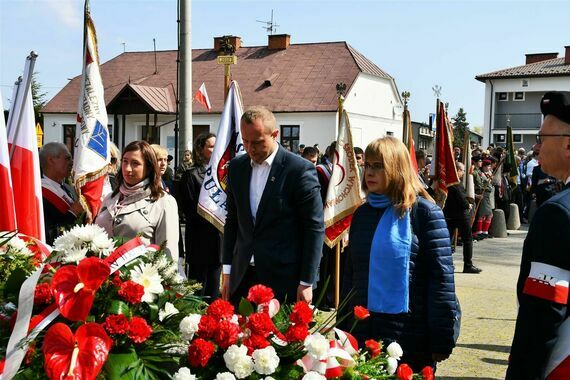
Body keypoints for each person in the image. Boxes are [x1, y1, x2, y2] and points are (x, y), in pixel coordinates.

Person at [341, 137, 458, 372]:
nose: (370, 172)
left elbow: (441, 279)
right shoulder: (362, 214)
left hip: (410, 334)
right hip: (364, 329)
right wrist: (344, 325)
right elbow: (351, 276)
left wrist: (441, 336)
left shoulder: (424, 213)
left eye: (378, 166)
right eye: (368, 165)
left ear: (397, 168)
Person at [221, 106, 324, 304]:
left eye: (258, 142)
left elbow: (314, 227)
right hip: (242, 277)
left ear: (275, 135)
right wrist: (227, 271)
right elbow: (232, 221)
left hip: (283, 280)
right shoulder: (236, 168)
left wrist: (306, 281)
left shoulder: (299, 170)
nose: (251, 148)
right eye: (246, 141)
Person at [506, 91, 570, 379]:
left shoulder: (558, 213)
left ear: (568, 145)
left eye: (543, 139)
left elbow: (544, 315)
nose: (537, 146)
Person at [95, 140, 180, 260]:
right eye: (125, 161)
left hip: (141, 276)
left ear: (149, 167)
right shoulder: (110, 198)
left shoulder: (164, 202)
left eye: (135, 163)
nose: (128, 169)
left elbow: (168, 256)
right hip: (103, 275)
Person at [179, 133, 221, 300]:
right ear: (200, 150)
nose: (214, 149)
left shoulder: (222, 174)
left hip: (218, 240)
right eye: (210, 146)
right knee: (198, 287)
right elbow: (188, 209)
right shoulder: (192, 175)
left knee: (214, 288)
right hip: (199, 240)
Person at [39, 142, 84, 244]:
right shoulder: (38, 193)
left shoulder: (68, 189)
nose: (72, 162)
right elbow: (46, 232)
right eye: (67, 158)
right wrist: (72, 213)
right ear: (51, 160)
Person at [443, 162, 481, 273]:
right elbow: (462, 199)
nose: (464, 173)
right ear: (458, 170)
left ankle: (446, 264)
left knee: (447, 240)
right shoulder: (455, 183)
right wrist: (467, 205)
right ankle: (468, 265)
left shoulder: (447, 182)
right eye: (463, 170)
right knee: (467, 239)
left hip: (449, 214)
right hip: (460, 215)